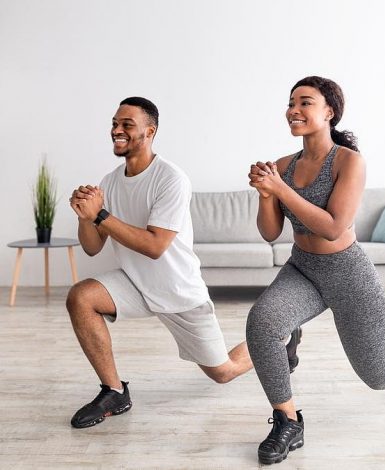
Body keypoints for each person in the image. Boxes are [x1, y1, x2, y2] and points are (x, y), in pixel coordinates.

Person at [67, 96, 300, 429]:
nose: (117, 130)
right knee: (81, 297)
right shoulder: (110, 182)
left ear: (150, 131)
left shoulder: (170, 179)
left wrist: (100, 214)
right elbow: (92, 247)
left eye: (127, 124)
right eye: (115, 124)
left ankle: (284, 341)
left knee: (223, 372)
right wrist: (85, 217)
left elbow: (155, 246)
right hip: (135, 283)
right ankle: (114, 392)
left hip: (177, 290)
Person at [246, 76, 385, 465]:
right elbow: (270, 233)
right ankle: (288, 422)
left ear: (329, 112)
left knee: (379, 375)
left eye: (304, 102)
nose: (293, 110)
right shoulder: (282, 166)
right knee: (261, 323)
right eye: (291, 102)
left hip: (348, 274)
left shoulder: (349, 161)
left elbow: (333, 227)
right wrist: (265, 194)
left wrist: (281, 189)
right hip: (303, 268)